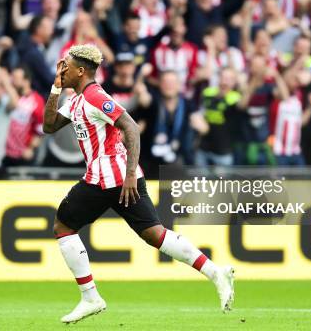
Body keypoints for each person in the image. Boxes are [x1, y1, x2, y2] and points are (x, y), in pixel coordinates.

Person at [43, 44, 234, 324]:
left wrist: (130, 171)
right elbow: (49, 126)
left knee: (63, 226)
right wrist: (56, 87)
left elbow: (130, 126)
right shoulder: (76, 101)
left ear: (81, 71)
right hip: (118, 179)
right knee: (154, 234)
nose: (62, 69)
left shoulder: (95, 95)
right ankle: (215, 272)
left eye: (67, 67)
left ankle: (90, 297)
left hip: (107, 177)